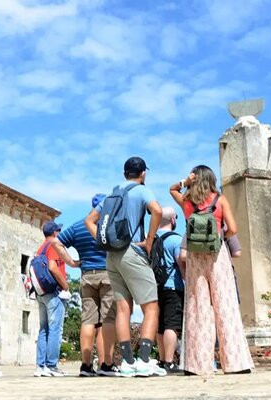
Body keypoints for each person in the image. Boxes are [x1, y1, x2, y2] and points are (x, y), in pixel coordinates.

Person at [85, 156, 166, 378]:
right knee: (151, 306)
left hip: (112, 256)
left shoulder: (113, 193)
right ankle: (145, 360)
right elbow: (157, 211)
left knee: (123, 309)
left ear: (124, 174)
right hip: (133, 252)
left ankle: (128, 362)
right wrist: (149, 240)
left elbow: (89, 221)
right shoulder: (142, 190)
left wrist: (105, 244)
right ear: (143, 174)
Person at [169, 164, 253, 376]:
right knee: (225, 305)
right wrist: (219, 235)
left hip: (195, 256)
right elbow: (233, 228)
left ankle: (198, 365)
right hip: (217, 255)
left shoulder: (187, 202)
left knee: (198, 309)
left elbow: (172, 190)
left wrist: (184, 182)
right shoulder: (219, 199)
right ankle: (235, 363)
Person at [50, 194, 118, 377]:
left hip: (87, 275)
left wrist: (71, 262)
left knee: (88, 320)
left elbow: (56, 242)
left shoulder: (79, 226)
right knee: (107, 320)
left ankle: (86, 366)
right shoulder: (110, 225)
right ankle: (106, 364)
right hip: (108, 274)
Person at [33, 221, 70, 377]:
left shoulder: (41, 247)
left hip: (40, 292)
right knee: (56, 328)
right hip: (53, 292)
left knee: (44, 328)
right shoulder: (54, 245)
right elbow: (53, 267)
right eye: (59, 230)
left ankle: (40, 366)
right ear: (55, 232)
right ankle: (51, 365)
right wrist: (65, 286)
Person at [155, 207, 185, 374]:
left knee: (159, 325)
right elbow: (180, 262)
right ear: (173, 220)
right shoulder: (176, 240)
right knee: (171, 325)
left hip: (154, 286)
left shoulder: (151, 239)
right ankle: (169, 362)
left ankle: (161, 360)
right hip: (172, 285)